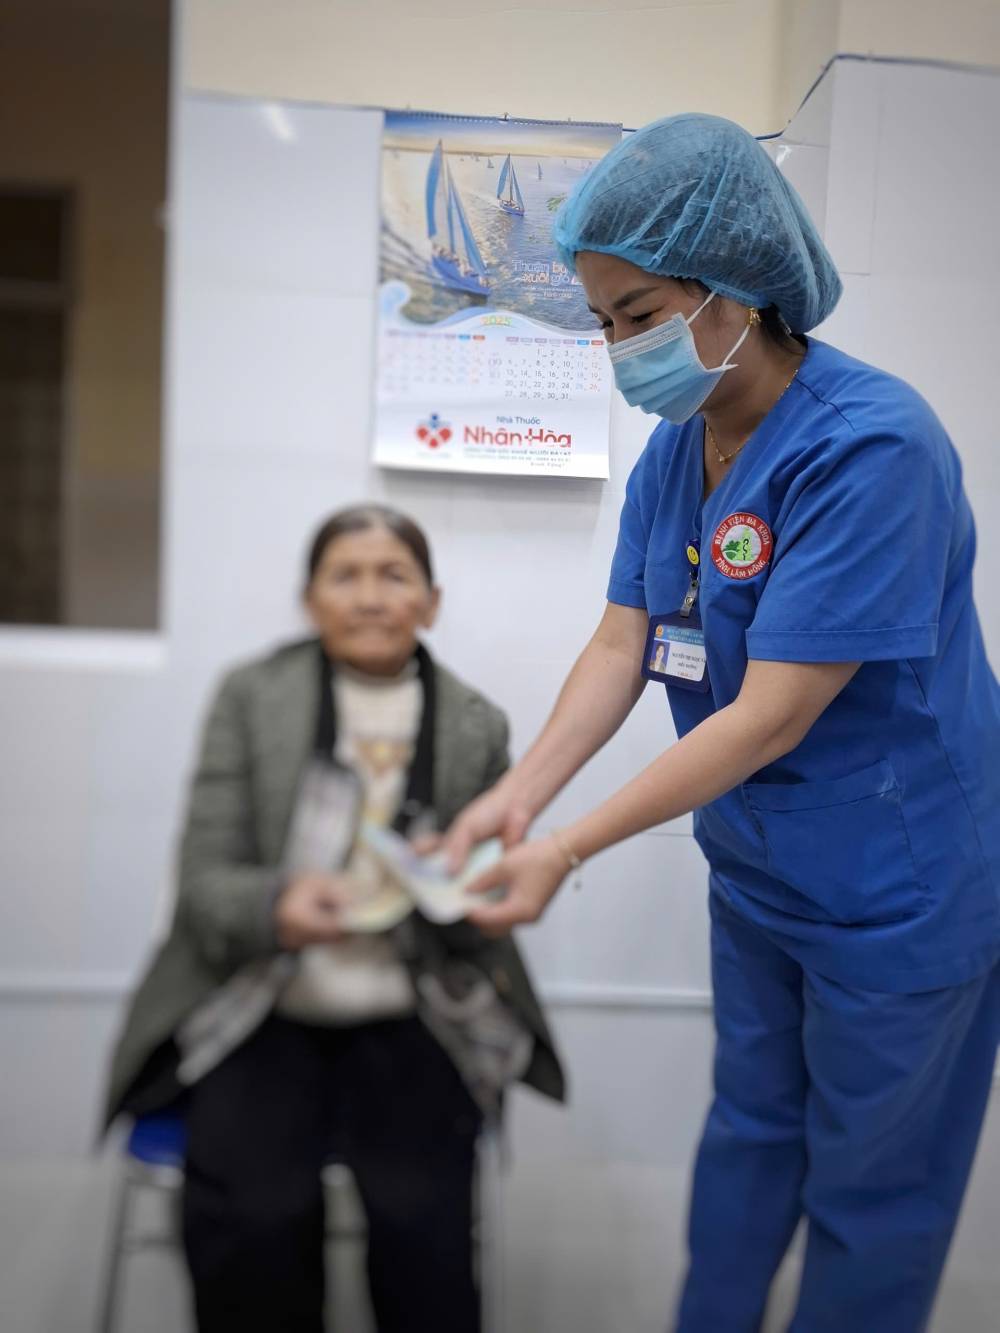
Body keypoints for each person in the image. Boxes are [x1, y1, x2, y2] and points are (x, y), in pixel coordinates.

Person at [444, 114, 1000, 1333]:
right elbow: (622, 644)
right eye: (602, 322)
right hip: (758, 871)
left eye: (637, 314)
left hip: (898, 888)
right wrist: (514, 800)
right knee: (748, 1133)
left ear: (732, 285)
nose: (617, 349)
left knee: (871, 1187)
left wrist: (564, 848)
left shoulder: (873, 447)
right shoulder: (678, 448)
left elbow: (769, 716)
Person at [102, 504, 564, 1333]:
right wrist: (275, 903)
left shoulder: (474, 723)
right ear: (310, 600)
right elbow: (202, 882)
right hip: (261, 1006)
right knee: (253, 1221)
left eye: (394, 575)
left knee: (422, 1227)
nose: (370, 596)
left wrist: (462, 888)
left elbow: (483, 909)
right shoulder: (252, 698)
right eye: (344, 575)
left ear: (431, 602)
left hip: (415, 1011)